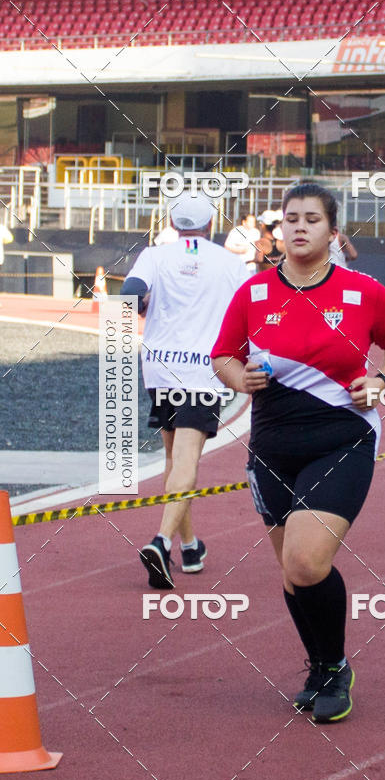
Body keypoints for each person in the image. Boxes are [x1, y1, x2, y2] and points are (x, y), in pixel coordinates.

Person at [211, 182, 385, 723]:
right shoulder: (253, 292)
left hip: (343, 437)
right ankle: (325, 666)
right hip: (273, 444)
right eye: (290, 219)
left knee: (306, 559)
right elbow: (223, 356)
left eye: (311, 219)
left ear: (332, 231)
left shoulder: (363, 291)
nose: (298, 228)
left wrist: (383, 380)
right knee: (292, 572)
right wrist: (240, 376)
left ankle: (334, 665)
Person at [121, 192, 248, 589]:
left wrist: (143, 310)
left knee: (174, 458)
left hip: (160, 368)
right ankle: (160, 541)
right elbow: (250, 312)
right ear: (211, 224)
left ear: (173, 224)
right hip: (204, 370)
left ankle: (190, 546)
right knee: (187, 460)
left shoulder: (155, 256)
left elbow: (128, 295)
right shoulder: (231, 262)